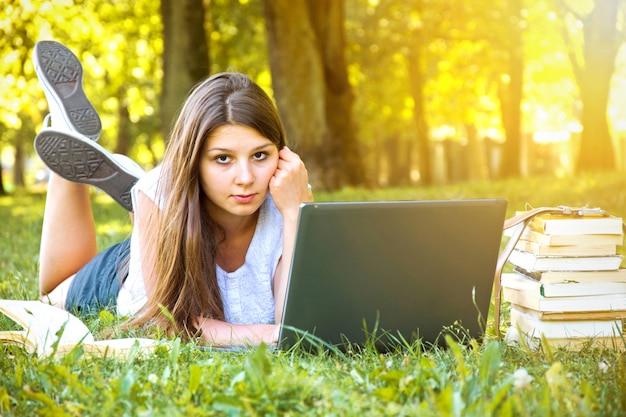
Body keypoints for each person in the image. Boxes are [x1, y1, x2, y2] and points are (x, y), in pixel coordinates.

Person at [32, 40, 313, 347]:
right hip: (122, 278)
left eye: (260, 155)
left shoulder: (286, 197)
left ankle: (149, 199)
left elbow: (299, 317)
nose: (246, 178)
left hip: (170, 225)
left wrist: (298, 212)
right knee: (50, 294)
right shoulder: (163, 202)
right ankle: (67, 132)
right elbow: (171, 324)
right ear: (193, 163)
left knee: (161, 198)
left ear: (282, 154)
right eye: (223, 158)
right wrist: (273, 334)